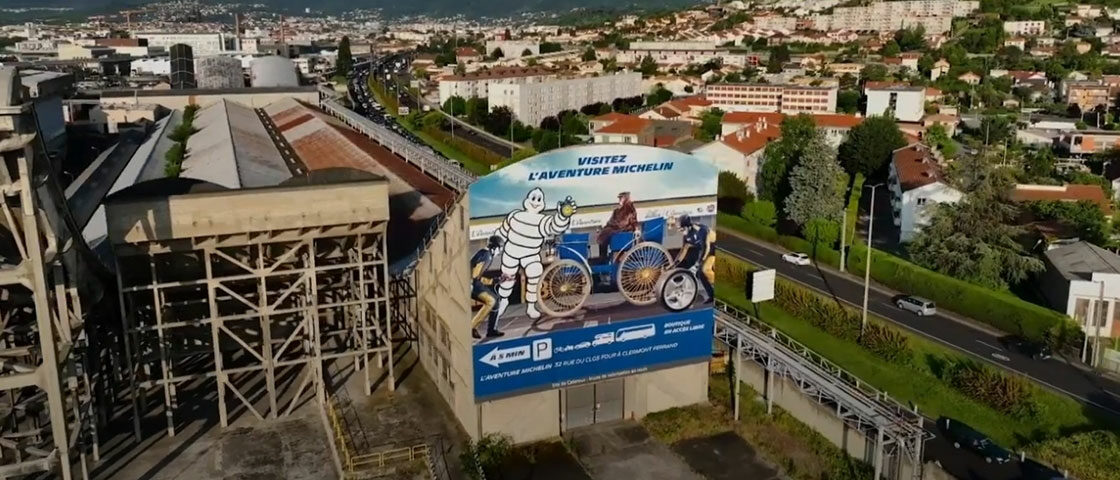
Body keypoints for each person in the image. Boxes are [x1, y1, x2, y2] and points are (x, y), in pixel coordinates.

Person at [494, 188, 577, 320]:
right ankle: (503, 301)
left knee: (535, 275)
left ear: (542, 203)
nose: (535, 202)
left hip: (531, 254)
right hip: (512, 252)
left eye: (539, 199)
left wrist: (562, 215)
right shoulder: (515, 215)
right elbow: (503, 231)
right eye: (533, 198)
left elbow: (555, 226)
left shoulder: (541, 221)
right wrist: (495, 246)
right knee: (507, 276)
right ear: (527, 201)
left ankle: (531, 306)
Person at [470, 235, 506, 339]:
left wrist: (497, 280)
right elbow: (474, 276)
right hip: (471, 284)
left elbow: (478, 276)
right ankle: (472, 327)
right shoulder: (487, 256)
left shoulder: (485, 254)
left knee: (496, 300)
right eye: (499, 249)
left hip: (473, 283)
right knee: (491, 301)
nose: (499, 252)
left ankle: (492, 330)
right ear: (495, 248)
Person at [675, 214, 715, 303]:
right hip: (701, 249)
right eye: (679, 230)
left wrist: (698, 263)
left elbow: (706, 247)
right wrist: (675, 263)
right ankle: (712, 295)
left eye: (682, 229)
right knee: (698, 272)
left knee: (704, 270)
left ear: (688, 226)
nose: (681, 232)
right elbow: (683, 250)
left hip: (712, 248)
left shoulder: (701, 230)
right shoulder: (686, 235)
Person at [596, 191, 638, 261]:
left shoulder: (628, 209)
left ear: (625, 198)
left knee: (605, 234)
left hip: (622, 231)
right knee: (604, 233)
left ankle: (603, 258)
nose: (619, 200)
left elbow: (623, 223)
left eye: (621, 198)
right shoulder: (620, 210)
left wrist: (611, 224)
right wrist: (610, 224)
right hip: (619, 229)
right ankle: (603, 257)